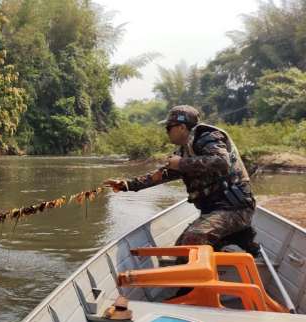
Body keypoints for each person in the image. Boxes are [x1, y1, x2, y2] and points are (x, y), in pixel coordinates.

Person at [103, 105, 259, 255]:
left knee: (192, 241)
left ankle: (236, 235)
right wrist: (127, 185)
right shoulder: (184, 150)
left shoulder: (207, 137)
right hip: (214, 209)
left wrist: (181, 163)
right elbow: (161, 175)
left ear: (182, 127)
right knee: (181, 249)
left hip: (235, 208)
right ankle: (239, 237)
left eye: (169, 127)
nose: (167, 131)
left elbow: (221, 161)